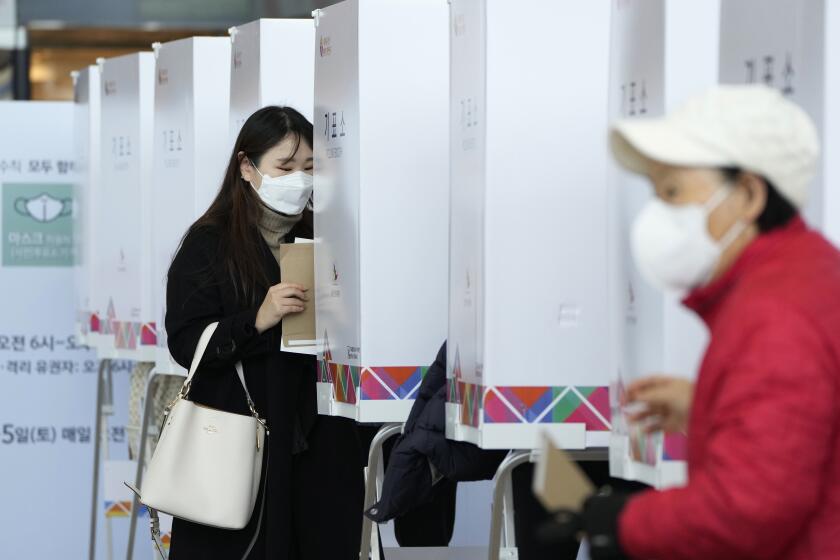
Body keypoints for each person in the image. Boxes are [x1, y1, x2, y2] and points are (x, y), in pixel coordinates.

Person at [567, 85, 840, 559]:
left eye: (673, 192)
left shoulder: (774, 318)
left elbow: (747, 510)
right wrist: (709, 407)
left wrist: (621, 523)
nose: (657, 213)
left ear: (750, 195)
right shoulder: (804, 279)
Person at [165, 106, 367, 559]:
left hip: (322, 436)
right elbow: (184, 339)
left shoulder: (329, 234)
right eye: (285, 166)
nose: (299, 179)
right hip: (241, 436)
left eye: (309, 168)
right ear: (246, 167)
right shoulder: (210, 241)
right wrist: (256, 319)